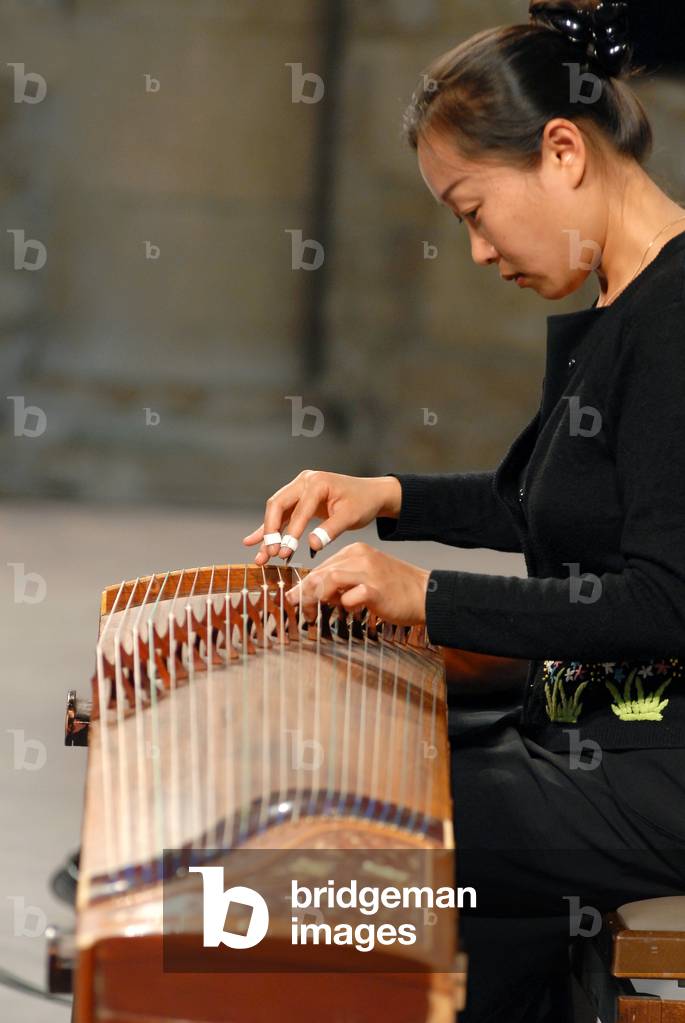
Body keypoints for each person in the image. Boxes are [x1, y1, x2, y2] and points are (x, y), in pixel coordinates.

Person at [243, 2, 685, 1019]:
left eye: (472, 208)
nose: (478, 250)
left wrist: (428, 598)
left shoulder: (671, 322)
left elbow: (664, 600)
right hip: (598, 740)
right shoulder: (632, 303)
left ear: (561, 150)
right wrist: (384, 497)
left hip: (655, 770)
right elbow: (553, 507)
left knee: (318, 847)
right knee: (348, 807)